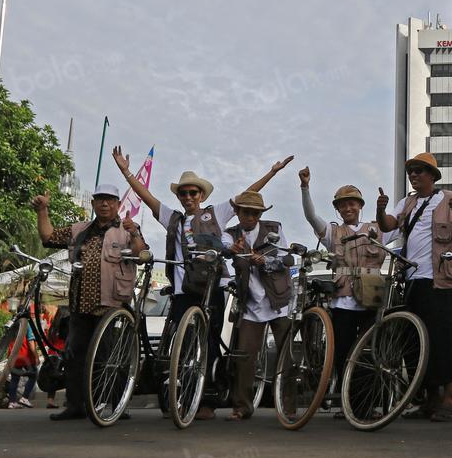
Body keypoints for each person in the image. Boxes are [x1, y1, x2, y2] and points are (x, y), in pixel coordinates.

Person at [113, 146, 293, 419]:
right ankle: (179, 396)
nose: (188, 197)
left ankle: (207, 401)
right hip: (184, 291)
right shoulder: (171, 218)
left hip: (213, 287)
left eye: (193, 193)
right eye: (183, 193)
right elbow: (147, 198)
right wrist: (126, 172)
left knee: (208, 343)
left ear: (202, 195)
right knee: (178, 344)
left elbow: (247, 198)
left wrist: (272, 172)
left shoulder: (215, 214)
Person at [33, 184, 148, 421]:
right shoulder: (80, 229)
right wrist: (42, 210)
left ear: (117, 204)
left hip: (112, 306)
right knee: (75, 355)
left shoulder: (127, 229)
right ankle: (76, 405)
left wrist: (134, 233)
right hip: (80, 303)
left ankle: (117, 404)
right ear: (93, 204)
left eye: (110, 200)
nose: (104, 204)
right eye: (100, 200)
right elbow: (48, 237)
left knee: (109, 355)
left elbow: (141, 254)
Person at [375, 152, 452, 422]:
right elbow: (387, 226)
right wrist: (381, 208)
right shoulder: (407, 202)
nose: (414, 175)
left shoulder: (450, 198)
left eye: (419, 171)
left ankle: (449, 399)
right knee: (415, 342)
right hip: (413, 280)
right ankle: (429, 399)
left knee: (444, 340)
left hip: (441, 280)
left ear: (432, 175)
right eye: (411, 172)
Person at [300, 167, 390, 419]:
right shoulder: (333, 232)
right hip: (343, 300)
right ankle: (347, 403)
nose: (347, 208)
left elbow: (402, 229)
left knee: (370, 352)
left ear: (360, 205)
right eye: (342, 205)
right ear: (337, 209)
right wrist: (305, 187)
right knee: (344, 352)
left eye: (352, 203)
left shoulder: (377, 228)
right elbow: (310, 216)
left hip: (371, 297)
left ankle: (368, 404)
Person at [224, 191, 295, 420]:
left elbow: (286, 260)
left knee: (286, 357)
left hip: (278, 301)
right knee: (244, 358)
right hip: (251, 305)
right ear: (237, 212)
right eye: (246, 212)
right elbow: (225, 248)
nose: (251, 217)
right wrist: (233, 249)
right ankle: (242, 407)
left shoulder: (273, 229)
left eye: (255, 213)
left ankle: (289, 407)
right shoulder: (231, 234)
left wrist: (265, 261)